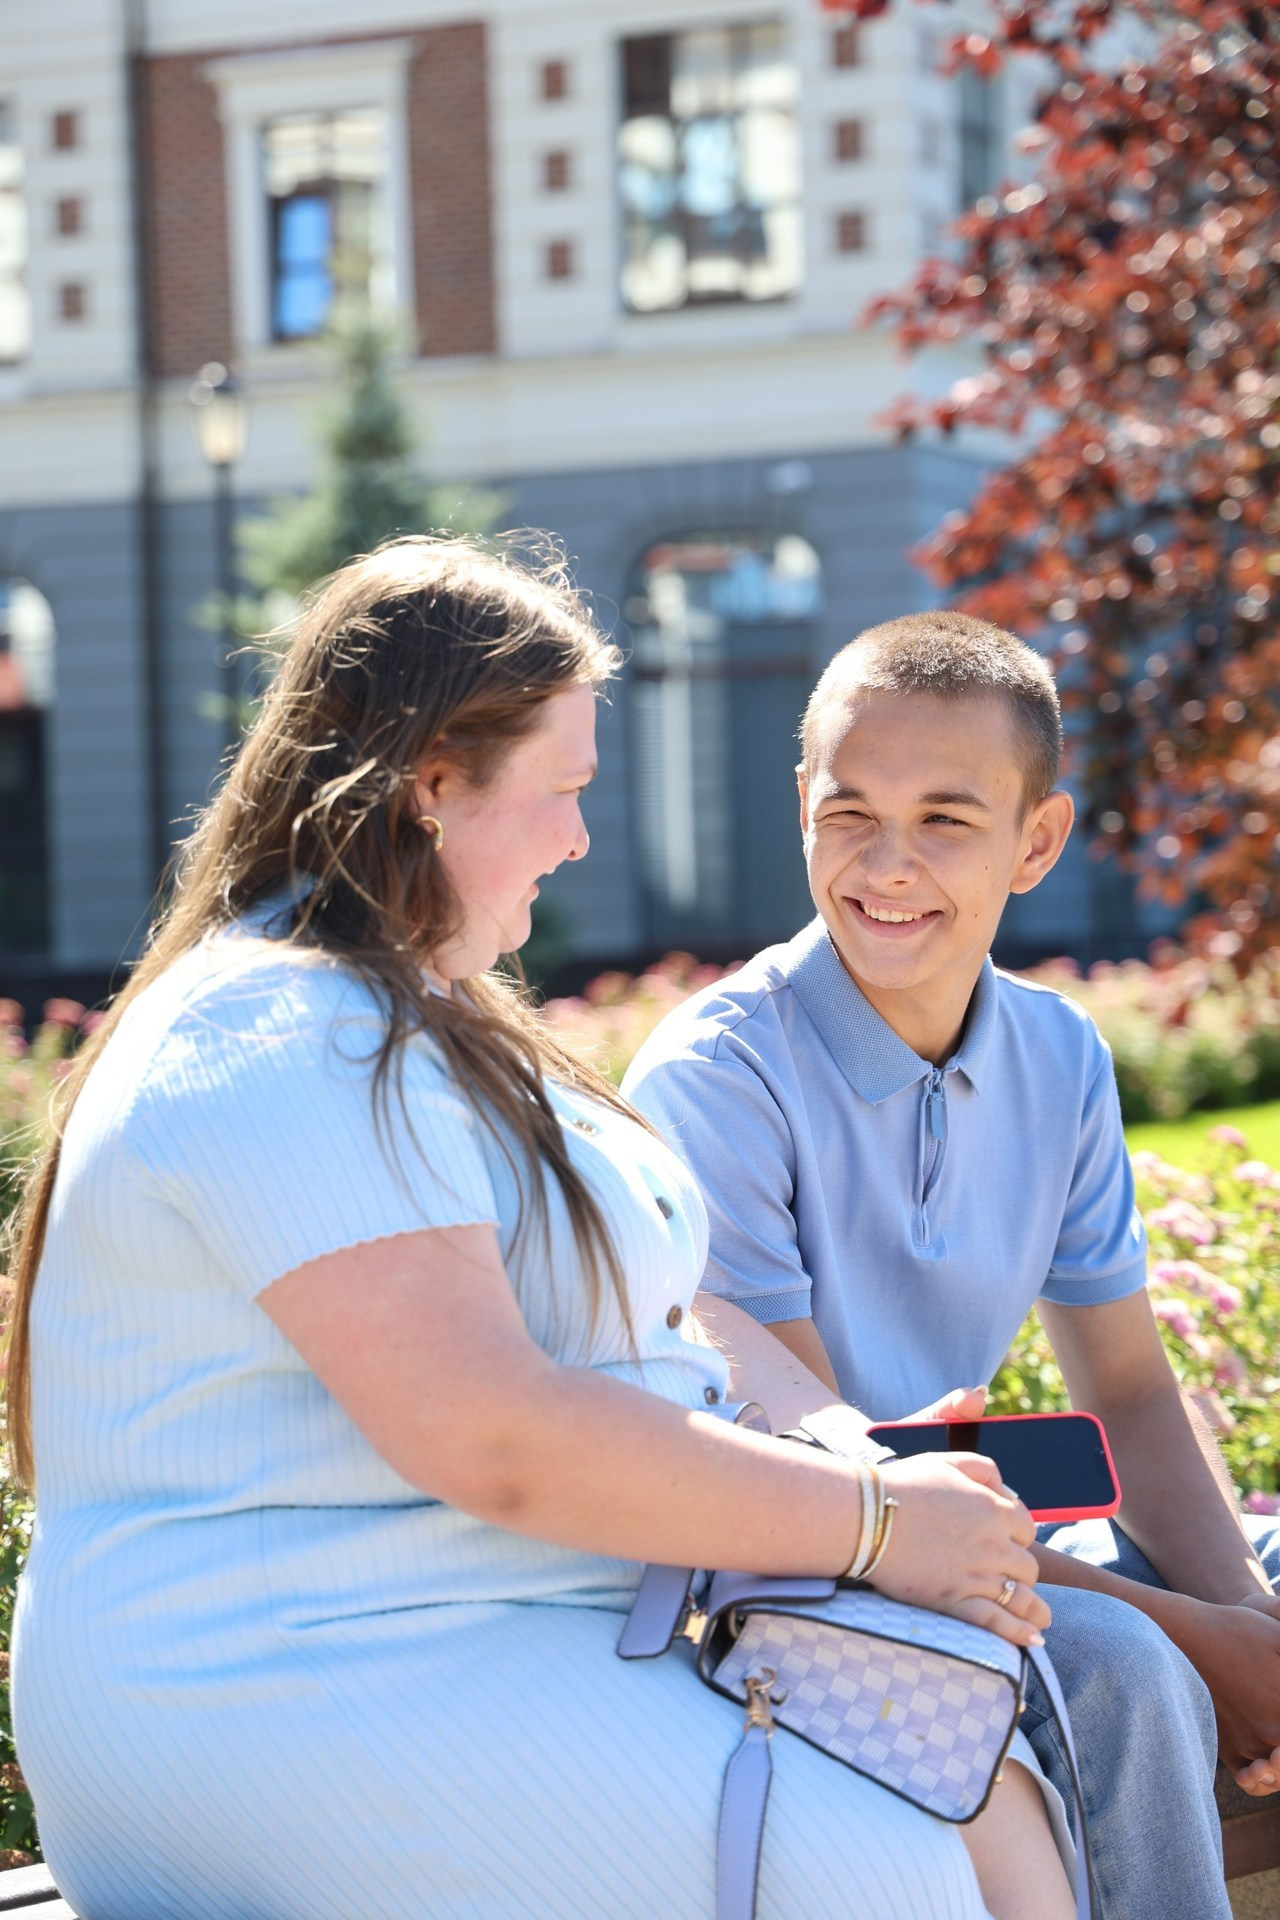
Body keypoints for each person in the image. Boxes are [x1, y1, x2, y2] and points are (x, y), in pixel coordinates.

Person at [6, 542, 1073, 1920]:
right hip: (279, 1685)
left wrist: (838, 1455)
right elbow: (493, 1433)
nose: (579, 836)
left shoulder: (409, 1019)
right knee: (898, 1867)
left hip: (468, 1650)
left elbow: (643, 1337)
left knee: (989, 1790)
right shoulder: (275, 1028)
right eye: (562, 789)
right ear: (434, 781)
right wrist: (873, 1525)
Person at [623, 609, 1280, 1920]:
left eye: (944, 819)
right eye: (849, 811)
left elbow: (1133, 1399)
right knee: (1130, 1670)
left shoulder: (1060, 1057)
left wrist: (1246, 1617)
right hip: (807, 1564)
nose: (888, 864)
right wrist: (1201, 1641)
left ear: (1038, 840)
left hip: (995, 1532)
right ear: (801, 805)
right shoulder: (720, 1078)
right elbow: (833, 1474)